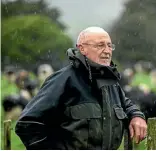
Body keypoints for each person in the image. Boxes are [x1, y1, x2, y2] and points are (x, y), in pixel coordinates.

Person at [15, 26, 147, 150]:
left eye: (109, 45)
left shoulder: (110, 82)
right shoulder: (64, 80)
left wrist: (136, 116)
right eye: (100, 45)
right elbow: (28, 124)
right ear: (82, 49)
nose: (107, 51)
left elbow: (126, 104)